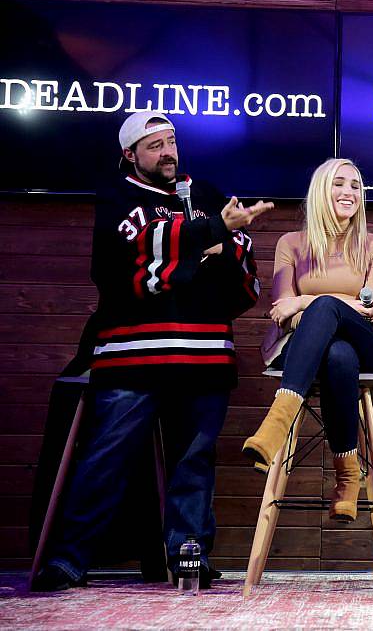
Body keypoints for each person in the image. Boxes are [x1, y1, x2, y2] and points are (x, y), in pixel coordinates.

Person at [32, 110, 272, 592]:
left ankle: (190, 556)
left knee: (194, 462)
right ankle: (70, 558)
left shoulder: (205, 195)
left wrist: (218, 243)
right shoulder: (117, 196)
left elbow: (239, 266)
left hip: (204, 353)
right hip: (132, 355)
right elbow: (127, 260)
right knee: (106, 457)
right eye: (154, 144)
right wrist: (207, 238)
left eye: (171, 141)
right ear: (130, 154)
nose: (167, 152)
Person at [243, 158, 373, 522]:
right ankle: (348, 474)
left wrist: (305, 301)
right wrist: (315, 308)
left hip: (369, 345)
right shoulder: (292, 244)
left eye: (356, 186)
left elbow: (369, 309)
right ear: (320, 191)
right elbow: (282, 312)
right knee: (337, 356)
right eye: (339, 184)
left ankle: (277, 423)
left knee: (335, 323)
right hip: (311, 347)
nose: (349, 192)